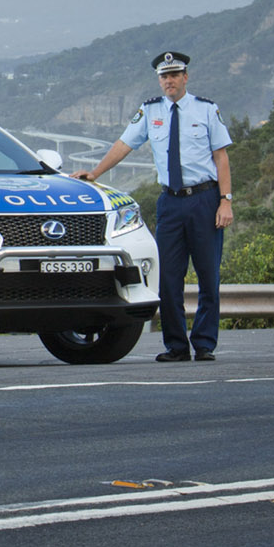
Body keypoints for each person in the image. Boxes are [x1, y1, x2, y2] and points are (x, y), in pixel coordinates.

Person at [73, 50, 233, 364]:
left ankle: (204, 344)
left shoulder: (206, 110)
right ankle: (176, 345)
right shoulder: (150, 112)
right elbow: (124, 144)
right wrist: (95, 173)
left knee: (207, 276)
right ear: (159, 80)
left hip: (205, 200)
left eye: (174, 75)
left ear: (185, 77)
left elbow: (221, 158)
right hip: (170, 203)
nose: (169, 81)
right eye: (164, 76)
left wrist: (225, 201)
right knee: (168, 279)